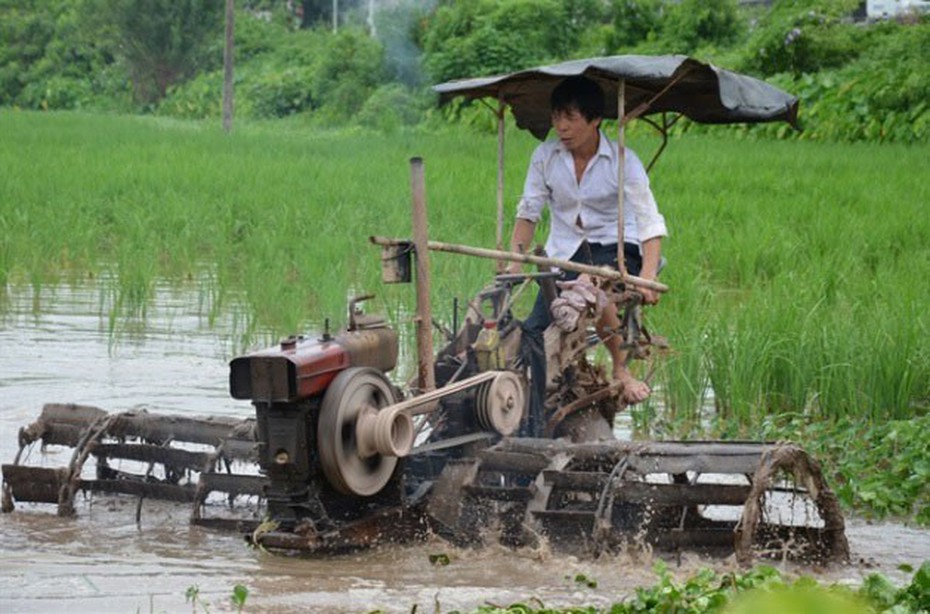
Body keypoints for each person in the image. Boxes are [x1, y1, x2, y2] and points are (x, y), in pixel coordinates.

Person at [507, 75, 667, 435]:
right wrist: (515, 260)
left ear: (595, 120)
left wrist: (651, 277)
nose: (561, 127)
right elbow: (529, 211)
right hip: (564, 251)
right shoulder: (546, 156)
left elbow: (649, 221)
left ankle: (621, 370)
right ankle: (533, 418)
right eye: (556, 118)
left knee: (594, 284)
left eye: (571, 118)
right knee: (534, 330)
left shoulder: (623, 160)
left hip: (616, 248)